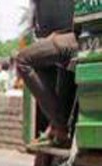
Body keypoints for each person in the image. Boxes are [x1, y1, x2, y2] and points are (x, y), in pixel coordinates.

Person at [16, 0, 77, 146]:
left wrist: (55, 36)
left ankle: (60, 126)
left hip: (75, 35)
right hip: (61, 37)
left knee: (23, 60)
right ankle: (56, 124)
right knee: (48, 66)